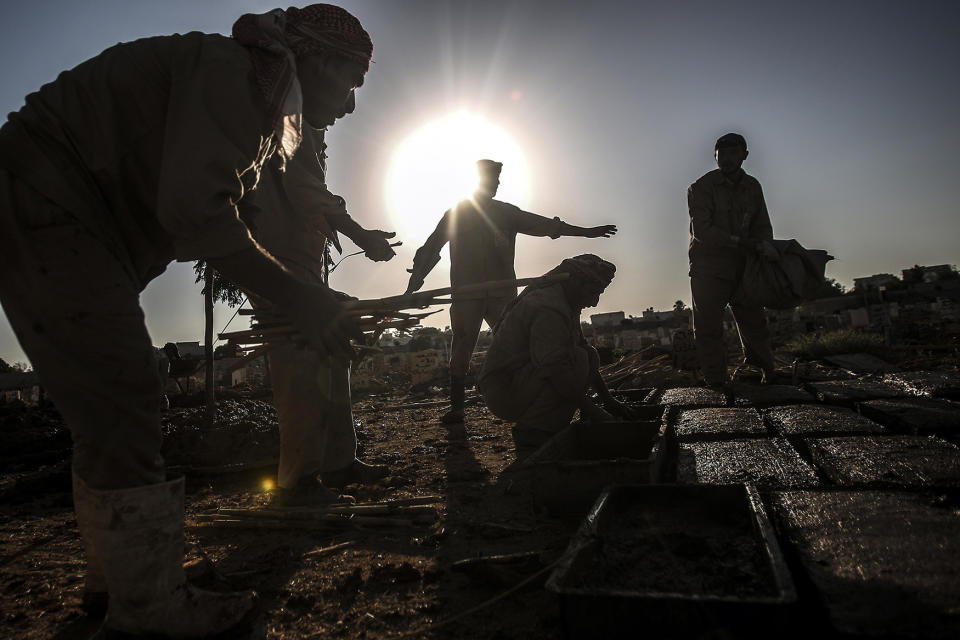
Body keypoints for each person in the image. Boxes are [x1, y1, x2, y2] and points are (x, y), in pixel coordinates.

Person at [0, 5, 372, 637]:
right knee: (123, 393)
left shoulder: (249, 92)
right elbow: (196, 211)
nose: (351, 105)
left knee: (105, 406)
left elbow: (211, 212)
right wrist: (303, 300)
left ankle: (118, 583)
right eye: (351, 83)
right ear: (316, 60)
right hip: (45, 199)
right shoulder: (233, 79)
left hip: (52, 207)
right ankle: (152, 614)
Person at [244, 125, 396, 504]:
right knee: (301, 356)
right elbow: (305, 189)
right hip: (276, 264)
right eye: (349, 86)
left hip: (303, 265)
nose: (350, 110)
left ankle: (338, 464)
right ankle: (298, 485)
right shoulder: (289, 122)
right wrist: (362, 236)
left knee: (335, 346)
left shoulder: (305, 122)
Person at [405, 160, 618, 424]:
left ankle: (533, 396)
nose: (495, 186)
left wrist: (586, 233)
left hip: (502, 293)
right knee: (461, 346)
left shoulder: (506, 213)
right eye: (491, 181)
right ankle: (458, 409)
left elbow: (546, 226)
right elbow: (432, 246)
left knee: (524, 342)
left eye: (497, 182)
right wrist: (416, 280)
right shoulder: (456, 214)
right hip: (467, 293)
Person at [478, 255, 633, 457]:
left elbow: (583, 350)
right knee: (574, 362)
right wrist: (597, 413)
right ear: (576, 282)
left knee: (588, 355)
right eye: (593, 292)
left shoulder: (566, 302)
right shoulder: (548, 308)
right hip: (504, 392)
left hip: (520, 381)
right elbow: (555, 369)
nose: (594, 302)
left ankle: (551, 425)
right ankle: (533, 433)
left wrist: (608, 401)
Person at [687, 132, 779, 387]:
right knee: (709, 328)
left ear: (744, 156)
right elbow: (702, 231)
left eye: (733, 154)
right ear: (715, 157)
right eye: (722, 155)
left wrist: (765, 249)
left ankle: (764, 373)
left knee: (754, 322)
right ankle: (716, 381)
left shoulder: (752, 187)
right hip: (709, 268)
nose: (726, 159)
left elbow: (762, 225)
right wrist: (744, 243)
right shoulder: (701, 187)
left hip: (745, 268)